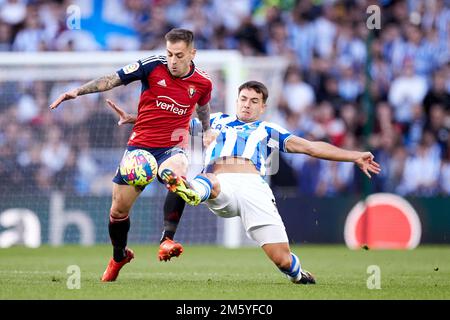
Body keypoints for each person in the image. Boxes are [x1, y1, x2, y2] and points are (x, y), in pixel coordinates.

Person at [108, 81, 381, 284]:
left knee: (282, 260)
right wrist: (134, 118)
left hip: (254, 190)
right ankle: (188, 188)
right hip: (220, 183)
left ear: (263, 106)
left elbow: (310, 147)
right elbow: (170, 122)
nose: (246, 104)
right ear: (236, 100)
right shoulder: (214, 121)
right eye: (243, 98)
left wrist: (354, 156)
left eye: (253, 101)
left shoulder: (268, 130)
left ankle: (299, 275)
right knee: (208, 179)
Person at [49, 28, 215, 282]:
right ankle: (119, 255)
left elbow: (203, 109)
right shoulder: (151, 66)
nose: (172, 60)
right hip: (140, 147)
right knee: (117, 211)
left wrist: (207, 129)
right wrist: (77, 92)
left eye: (179, 55)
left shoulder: (203, 83)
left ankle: (166, 239)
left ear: (192, 53)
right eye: (169, 53)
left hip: (172, 147)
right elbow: (111, 79)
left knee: (175, 174)